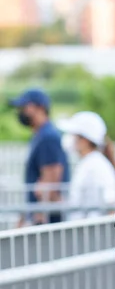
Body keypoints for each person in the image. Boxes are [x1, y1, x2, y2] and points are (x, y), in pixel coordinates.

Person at [9, 88, 70, 226]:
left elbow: (51, 180)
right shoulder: (41, 135)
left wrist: (38, 214)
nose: (21, 111)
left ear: (40, 108)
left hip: (46, 221)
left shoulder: (47, 137)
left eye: (24, 107)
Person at [57, 111, 115, 220]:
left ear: (84, 140)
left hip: (92, 232)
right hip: (84, 231)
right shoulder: (88, 163)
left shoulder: (97, 165)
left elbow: (110, 203)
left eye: (74, 135)